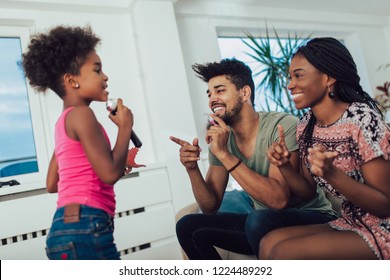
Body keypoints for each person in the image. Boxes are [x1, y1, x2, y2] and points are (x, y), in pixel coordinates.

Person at [170, 58, 337, 259]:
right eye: (210, 93)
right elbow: (209, 206)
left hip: (313, 218)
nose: (212, 99)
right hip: (262, 226)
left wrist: (225, 155)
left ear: (245, 93)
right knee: (188, 225)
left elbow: (279, 200)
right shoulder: (223, 139)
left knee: (258, 220)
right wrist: (192, 169)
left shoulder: (283, 126)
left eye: (220, 90)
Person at [261, 37, 390, 260]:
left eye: (298, 75)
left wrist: (331, 173)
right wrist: (284, 166)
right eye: (290, 77)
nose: (290, 84)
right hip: (351, 220)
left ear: (328, 78)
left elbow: (385, 206)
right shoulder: (306, 126)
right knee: (268, 241)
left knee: (284, 252)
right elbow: (307, 191)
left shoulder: (361, 120)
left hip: (384, 226)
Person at [22, 25, 134, 259]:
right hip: (86, 224)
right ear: (72, 80)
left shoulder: (63, 123)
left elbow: (53, 184)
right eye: (97, 70)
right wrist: (125, 128)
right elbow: (109, 174)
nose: (105, 76)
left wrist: (117, 160)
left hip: (62, 229)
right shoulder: (83, 115)